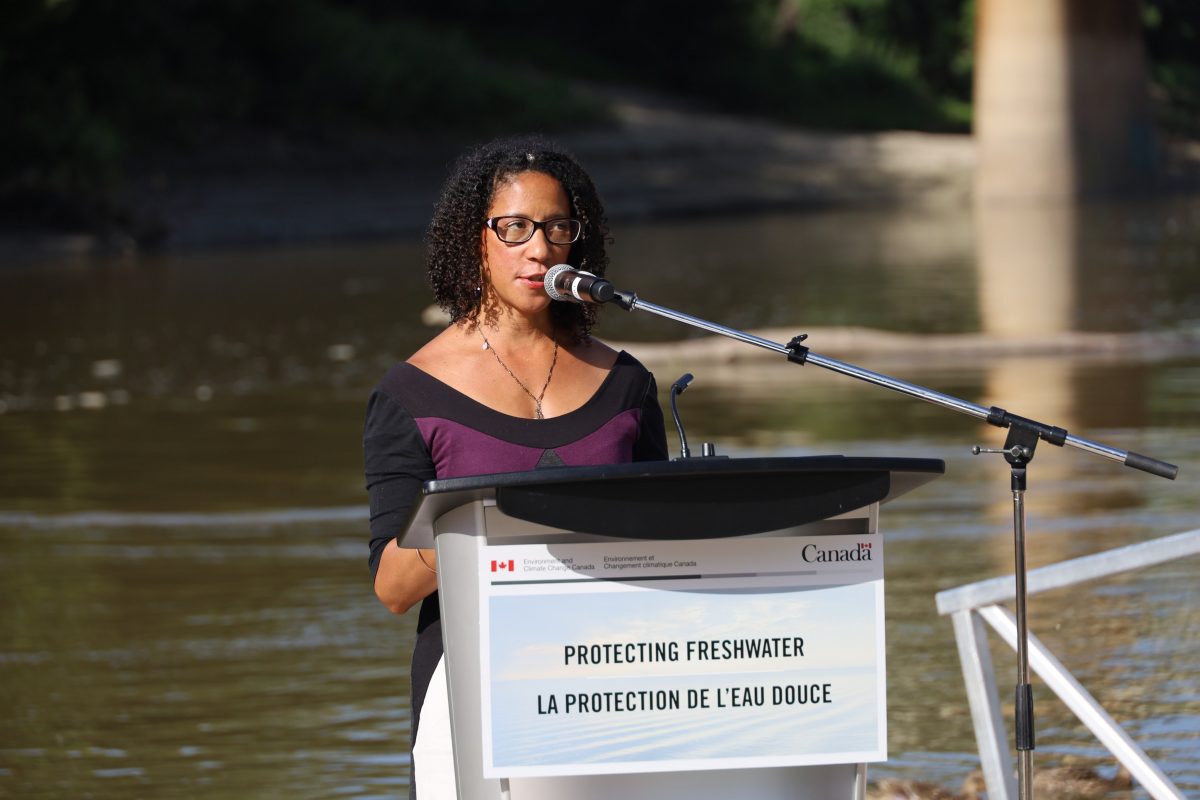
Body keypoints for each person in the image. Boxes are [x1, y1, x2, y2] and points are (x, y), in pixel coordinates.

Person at [362, 135, 669, 799]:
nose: (538, 248)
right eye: (515, 228)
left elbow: (663, 547)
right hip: (475, 694)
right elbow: (391, 586)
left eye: (558, 227)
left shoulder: (625, 385)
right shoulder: (412, 393)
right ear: (476, 241)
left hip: (613, 681)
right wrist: (476, 516)